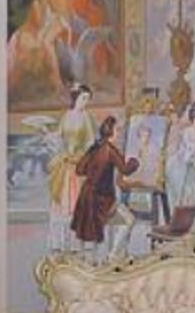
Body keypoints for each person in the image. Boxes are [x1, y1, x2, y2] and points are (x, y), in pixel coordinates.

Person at [71, 116, 140, 258]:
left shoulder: (95, 147)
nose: (119, 133)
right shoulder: (110, 150)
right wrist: (135, 160)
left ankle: (108, 254)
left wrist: (93, 172)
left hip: (86, 195)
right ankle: (113, 254)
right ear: (111, 131)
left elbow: (79, 169)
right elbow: (125, 169)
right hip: (102, 199)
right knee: (130, 220)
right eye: (117, 130)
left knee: (92, 231)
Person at [46, 85, 95, 251]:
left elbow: (90, 143)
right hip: (65, 162)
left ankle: (76, 243)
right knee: (62, 200)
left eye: (88, 99)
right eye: (83, 98)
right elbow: (59, 136)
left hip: (79, 163)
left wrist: (82, 156)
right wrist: (51, 138)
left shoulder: (86, 118)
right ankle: (60, 242)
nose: (85, 102)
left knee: (76, 201)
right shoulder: (66, 116)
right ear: (76, 98)